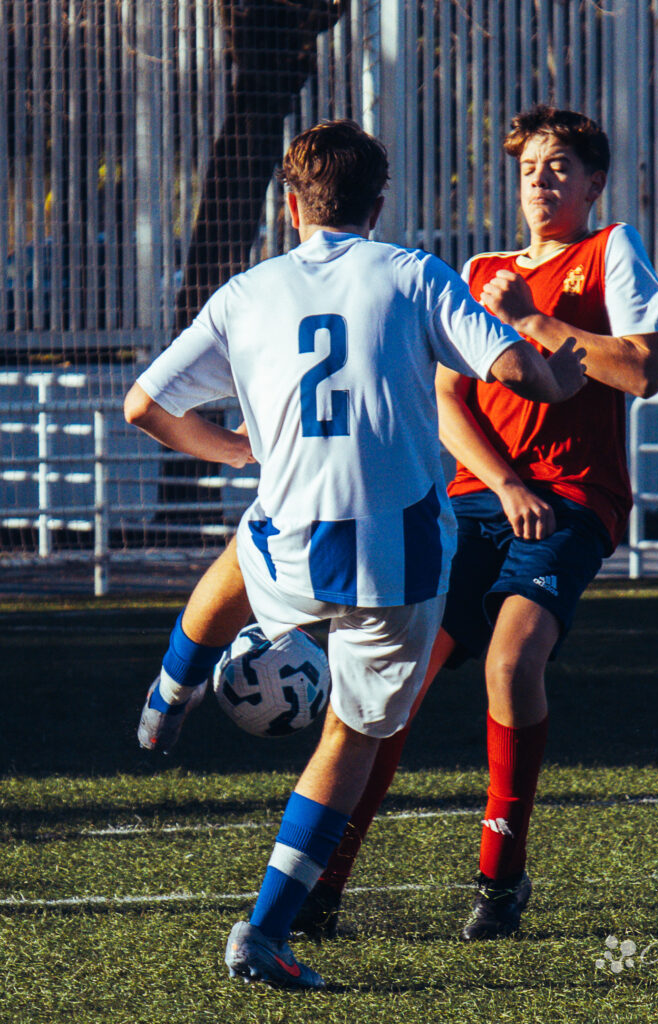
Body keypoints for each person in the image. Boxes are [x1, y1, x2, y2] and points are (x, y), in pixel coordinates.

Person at [124, 118, 586, 990]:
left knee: (245, 552)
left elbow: (143, 406)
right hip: (392, 557)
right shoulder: (411, 272)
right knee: (351, 734)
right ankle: (263, 934)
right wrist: (561, 373)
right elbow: (517, 373)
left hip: (287, 541)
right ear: (378, 206)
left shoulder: (246, 292)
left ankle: (169, 694)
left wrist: (233, 451)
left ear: (291, 205)